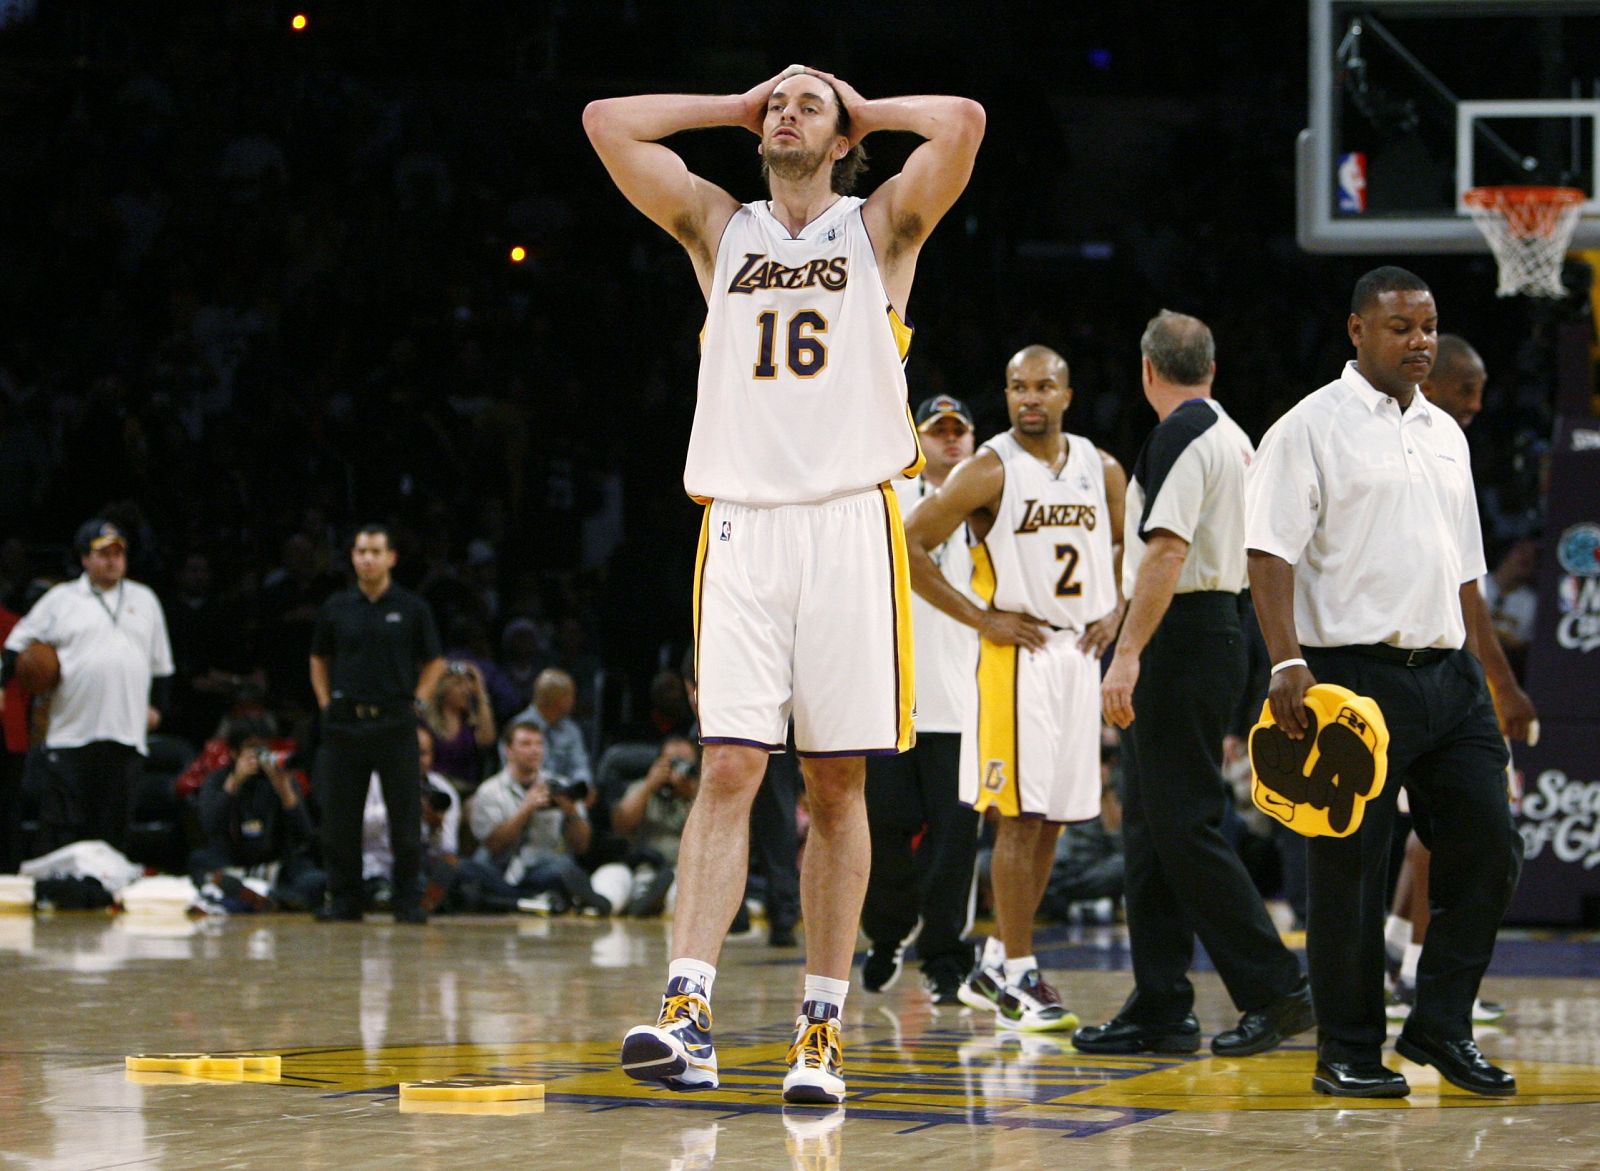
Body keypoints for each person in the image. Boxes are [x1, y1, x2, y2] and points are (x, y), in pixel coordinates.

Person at [586, 63, 984, 1102]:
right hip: (745, 524)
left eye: (807, 105)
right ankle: (688, 1009)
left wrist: (861, 106)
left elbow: (964, 122)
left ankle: (821, 1025)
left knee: (835, 783)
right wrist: (733, 102)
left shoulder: (883, 225)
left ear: (842, 134)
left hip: (854, 520)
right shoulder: (722, 229)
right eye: (777, 104)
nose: (786, 112)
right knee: (726, 765)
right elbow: (605, 120)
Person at [1245, 266, 1526, 1099]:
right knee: (1351, 873)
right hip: (1351, 676)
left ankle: (1439, 1024)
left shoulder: (1446, 431)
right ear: (1357, 332)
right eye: (1401, 326)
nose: (1420, 340)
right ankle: (1349, 1050)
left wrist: (1499, 681)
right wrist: (1287, 662)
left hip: (1449, 674)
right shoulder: (1309, 427)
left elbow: (1468, 573)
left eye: (1429, 325)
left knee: (1489, 851)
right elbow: (1270, 552)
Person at [1077, 311, 1311, 1059]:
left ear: (1148, 370)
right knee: (1149, 824)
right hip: (1218, 627)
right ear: (1210, 365)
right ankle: (1161, 999)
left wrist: (1128, 651)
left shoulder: (1180, 433)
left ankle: (1276, 987)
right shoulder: (1234, 434)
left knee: (1184, 823)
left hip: (1185, 633)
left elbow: (1168, 551)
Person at [902, 345, 1126, 1032]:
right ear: (1006, 395)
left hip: (1075, 655)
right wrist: (982, 617)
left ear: (1066, 394)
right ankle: (1020, 973)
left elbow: (1128, 545)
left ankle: (1000, 959)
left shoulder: (1102, 468)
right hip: (1015, 658)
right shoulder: (988, 468)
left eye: (1044, 386)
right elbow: (909, 545)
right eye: (1018, 387)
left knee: (1054, 816)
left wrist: (1113, 609)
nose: (1031, 398)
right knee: (1017, 817)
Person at [1383, 338, 1539, 1022]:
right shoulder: (1399, 445)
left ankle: (1397, 945)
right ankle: (1418, 967)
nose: (1479, 403)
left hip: (1436, 661)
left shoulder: (1443, 444)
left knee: (1432, 825)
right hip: (1411, 666)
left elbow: (1465, 581)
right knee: (1453, 827)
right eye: (1467, 388)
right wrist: (1503, 684)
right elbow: (1467, 591)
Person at [860, 394, 983, 1004]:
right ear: (917, 436)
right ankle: (885, 935)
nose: (952, 439)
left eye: (961, 430)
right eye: (940, 430)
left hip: (965, 701)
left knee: (956, 839)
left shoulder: (988, 504)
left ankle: (945, 957)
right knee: (884, 829)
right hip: (892, 699)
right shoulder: (887, 500)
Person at [0, 519, 174, 854]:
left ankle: (103, 896)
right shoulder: (61, 599)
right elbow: (17, 644)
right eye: (103, 553)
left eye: (118, 553)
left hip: (126, 732)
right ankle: (57, 894)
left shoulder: (146, 599)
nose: (113, 560)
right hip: (71, 732)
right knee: (62, 827)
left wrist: (158, 708)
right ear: (84, 559)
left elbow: (162, 666)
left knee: (114, 829)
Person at [309, 524, 445, 924]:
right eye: (360, 551)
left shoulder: (412, 607)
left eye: (375, 551)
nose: (367, 558)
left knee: (404, 816)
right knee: (340, 818)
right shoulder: (336, 607)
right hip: (346, 722)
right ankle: (345, 900)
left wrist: (419, 698)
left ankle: (407, 900)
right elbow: (318, 657)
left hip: (395, 721)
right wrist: (323, 701)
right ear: (352, 558)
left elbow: (435, 660)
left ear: (391, 558)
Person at [465, 720, 611, 915]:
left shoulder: (561, 785)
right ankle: (529, 901)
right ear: (508, 750)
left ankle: (511, 901)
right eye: (526, 744)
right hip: (500, 867)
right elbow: (494, 845)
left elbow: (582, 845)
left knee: (564, 868)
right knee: (470, 869)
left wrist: (571, 812)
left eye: (539, 744)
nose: (534, 750)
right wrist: (526, 809)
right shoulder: (490, 791)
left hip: (541, 868)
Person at [190, 714, 325, 912]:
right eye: (252, 748)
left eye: (264, 747)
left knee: (315, 880)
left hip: (276, 866)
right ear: (235, 752)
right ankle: (266, 897)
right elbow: (209, 826)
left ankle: (256, 897)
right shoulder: (217, 780)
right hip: (234, 864)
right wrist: (234, 783)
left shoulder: (280, 778)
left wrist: (285, 791)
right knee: (200, 861)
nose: (259, 755)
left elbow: (305, 835)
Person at [363, 724, 461, 913]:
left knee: (462, 871)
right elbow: (359, 829)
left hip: (420, 869)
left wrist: (435, 828)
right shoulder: (371, 781)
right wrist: (398, 808)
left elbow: (447, 851)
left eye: (423, 753)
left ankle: (421, 900)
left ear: (432, 757)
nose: (416, 760)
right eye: (410, 752)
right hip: (377, 865)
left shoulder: (443, 791)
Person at [609, 733, 700, 916]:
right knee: (612, 878)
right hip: (642, 867)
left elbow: (708, 839)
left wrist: (691, 795)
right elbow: (621, 825)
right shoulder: (641, 787)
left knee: (683, 889)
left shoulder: (701, 796)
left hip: (681, 870)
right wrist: (649, 786)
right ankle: (611, 903)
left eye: (685, 763)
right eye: (673, 762)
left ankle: (657, 901)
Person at [506, 668, 592, 792]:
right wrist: (556, 795)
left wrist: (583, 787)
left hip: (568, 796)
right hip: (524, 795)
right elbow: (514, 773)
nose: (574, 701)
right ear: (557, 699)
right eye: (571, 695)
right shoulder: (519, 728)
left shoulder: (571, 729)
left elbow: (580, 766)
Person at [422, 659, 496, 790]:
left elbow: (487, 739)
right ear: (444, 688)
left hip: (467, 789)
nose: (467, 690)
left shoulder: (469, 723)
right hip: (434, 788)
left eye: (468, 685)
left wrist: (480, 689)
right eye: (459, 684)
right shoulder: (426, 722)